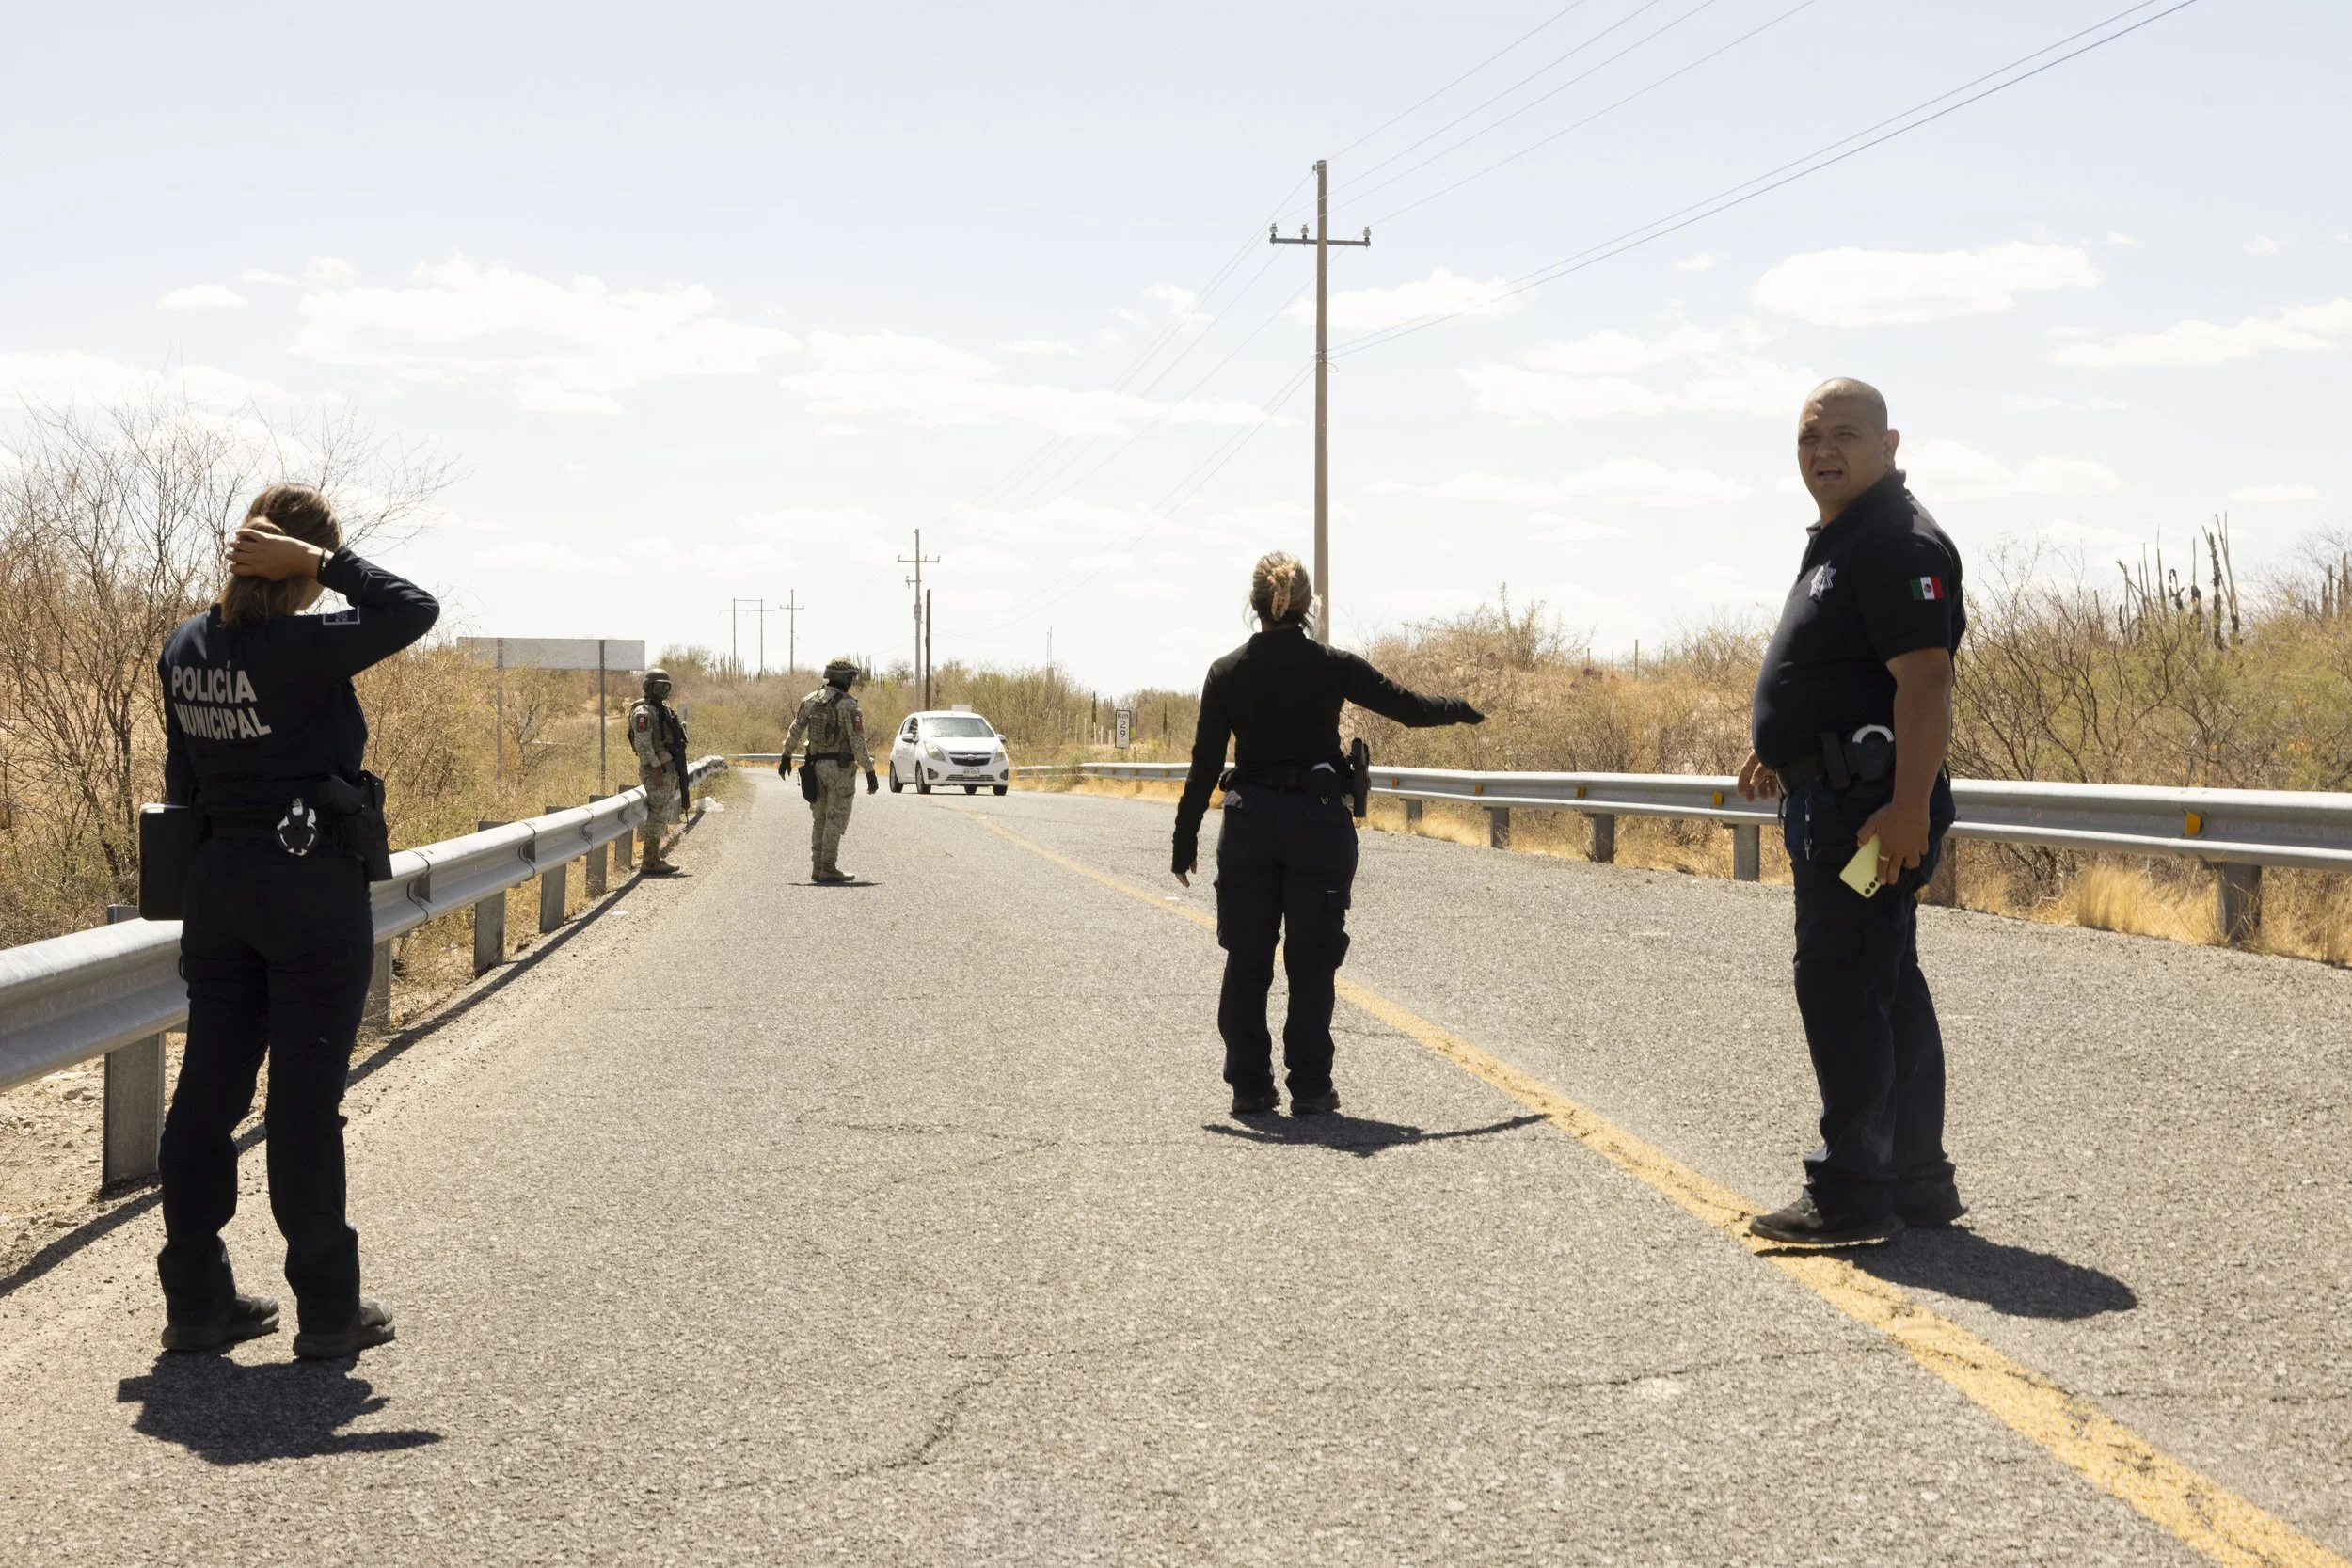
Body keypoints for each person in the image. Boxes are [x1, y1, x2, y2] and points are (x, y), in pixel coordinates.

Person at [155, 483, 439, 1356]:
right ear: (294, 565)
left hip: (219, 882)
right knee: (305, 1101)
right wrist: (321, 563)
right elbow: (412, 608)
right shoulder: (303, 644)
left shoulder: (186, 644)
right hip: (308, 885)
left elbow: (180, 780)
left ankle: (197, 1302)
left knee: (207, 1094)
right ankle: (327, 1310)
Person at [1737, 378, 1965, 1249]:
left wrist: (1906, 805)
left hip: (1869, 814)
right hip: (1841, 794)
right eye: (1808, 436)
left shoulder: (1898, 542)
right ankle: (1914, 1180)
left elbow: (1925, 682)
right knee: (1885, 983)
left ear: (1890, 442)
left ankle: (1853, 1195)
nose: (1823, 449)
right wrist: (1787, 747)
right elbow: (1848, 671)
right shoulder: (1848, 538)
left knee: (1841, 983)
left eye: (1844, 434)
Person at [1173, 552, 1484, 1117]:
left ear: (1255, 605)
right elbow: (1410, 708)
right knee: (1312, 959)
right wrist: (1459, 708)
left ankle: (1249, 1087)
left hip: (1249, 825)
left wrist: (1184, 840)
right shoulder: (1332, 664)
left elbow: (1203, 765)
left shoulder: (1226, 672)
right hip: (1317, 825)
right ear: (1309, 604)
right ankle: (1311, 1088)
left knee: (1247, 958)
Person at [781, 656, 877, 883]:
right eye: (851, 677)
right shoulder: (848, 706)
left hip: (815, 767)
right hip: (840, 770)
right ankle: (829, 867)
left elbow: (795, 729)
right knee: (836, 817)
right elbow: (858, 742)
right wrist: (870, 771)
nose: (852, 681)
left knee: (820, 817)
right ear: (843, 678)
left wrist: (786, 756)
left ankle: (817, 867)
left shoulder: (811, 700)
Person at [628, 669, 690, 875]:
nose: (663, 689)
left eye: (667, 686)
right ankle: (650, 860)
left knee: (662, 811)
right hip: (655, 769)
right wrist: (654, 768)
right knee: (658, 811)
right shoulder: (643, 712)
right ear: (648, 687)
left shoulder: (662, 709)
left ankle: (653, 857)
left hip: (667, 768)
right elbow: (643, 744)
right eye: (659, 685)